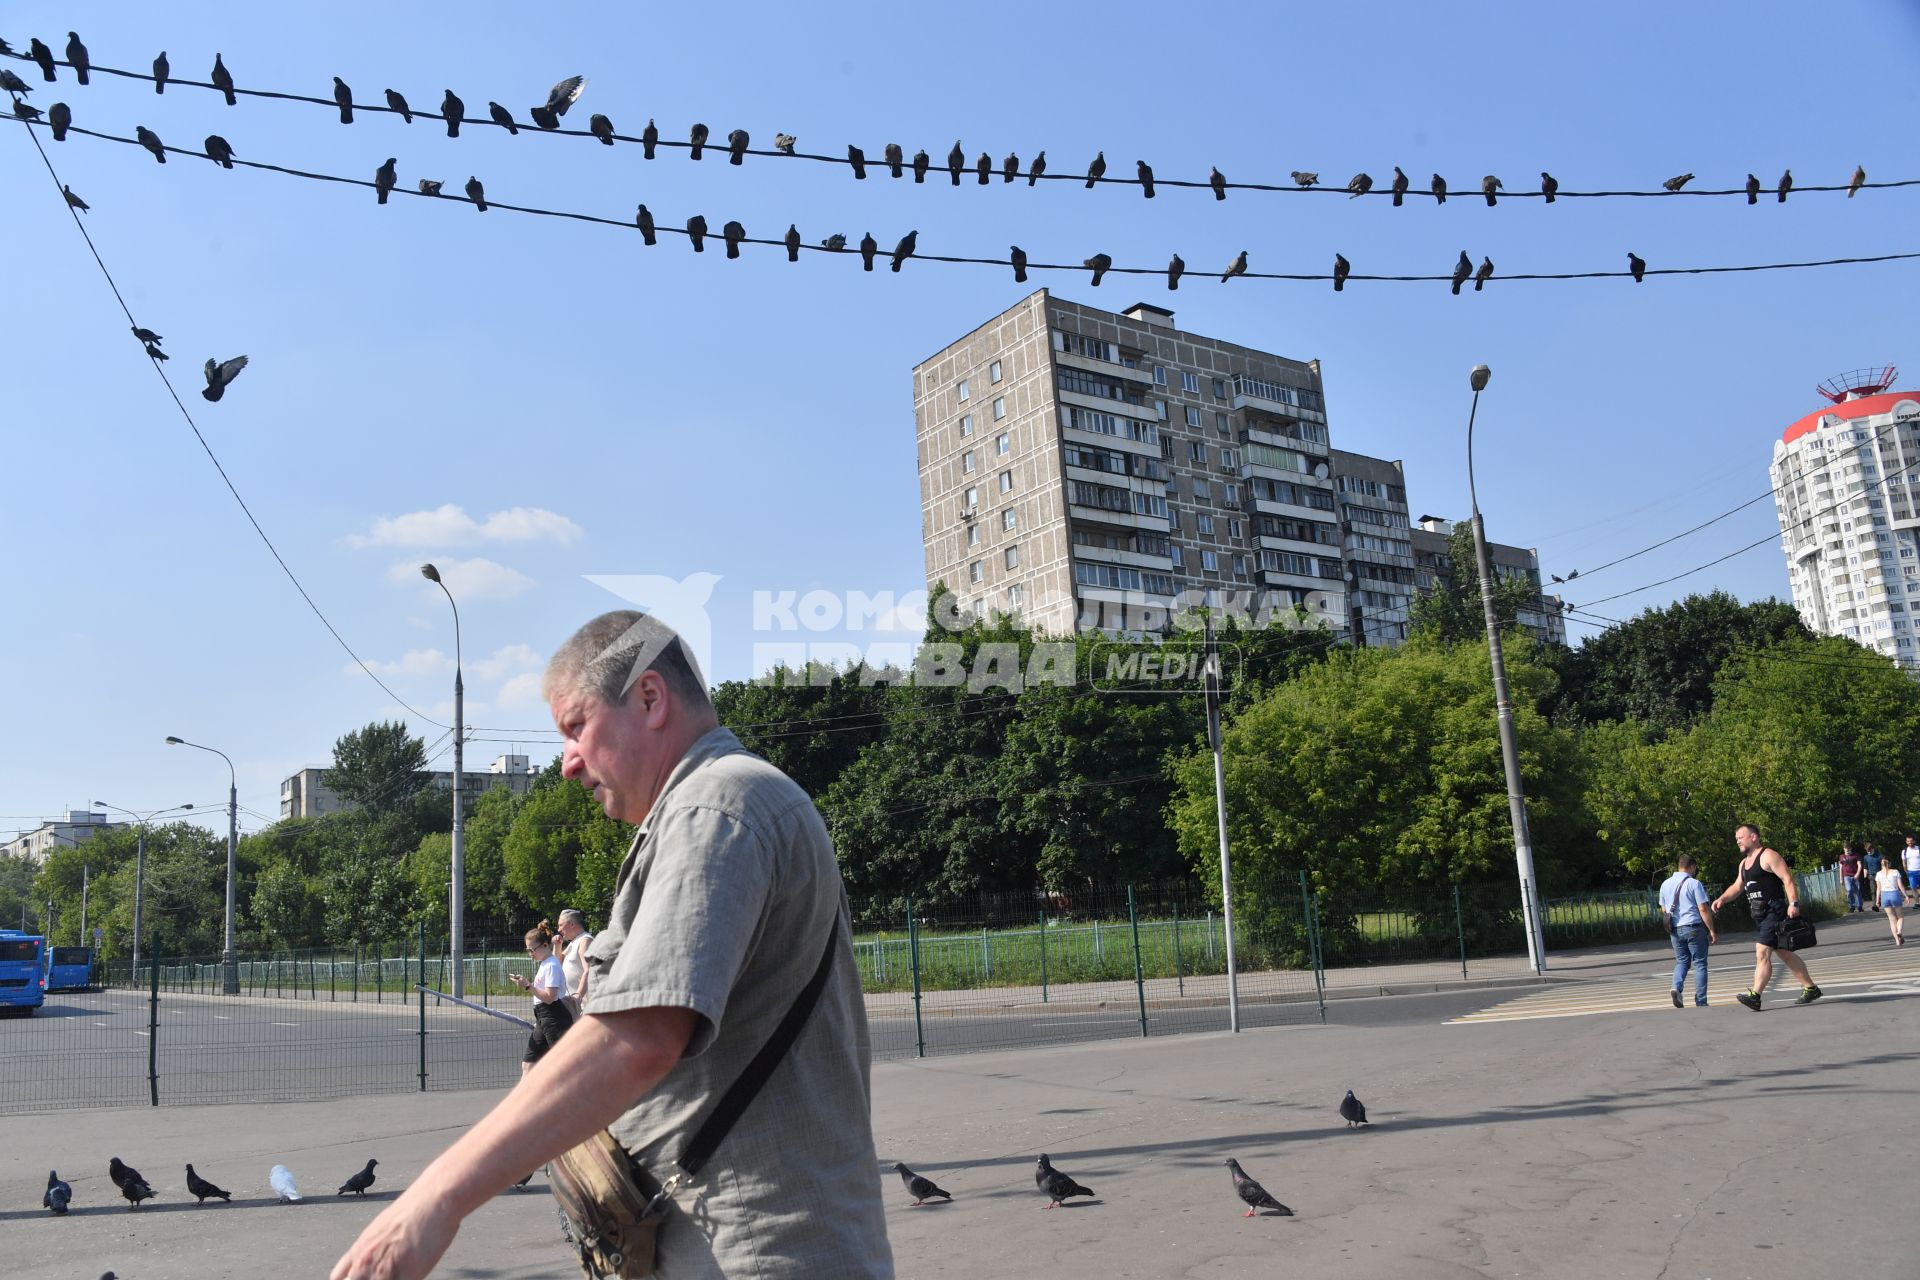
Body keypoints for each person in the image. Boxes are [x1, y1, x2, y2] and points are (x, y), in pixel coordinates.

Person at [331, 611, 892, 1280]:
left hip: (752, 1255)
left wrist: (432, 1199)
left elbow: (638, 1038)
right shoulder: (724, 803)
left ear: (651, 699)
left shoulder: (716, 805)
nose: (567, 762)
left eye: (576, 727)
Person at [1711, 822, 1822, 1012]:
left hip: (1775, 911)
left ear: (1753, 837)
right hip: (1760, 914)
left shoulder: (1768, 855)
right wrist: (1722, 899)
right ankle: (1811, 988)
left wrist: (1794, 903)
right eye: (1736, 838)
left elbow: (1787, 878)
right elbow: (1738, 886)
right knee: (1784, 953)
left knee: (1762, 951)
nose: (1737, 841)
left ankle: (1755, 996)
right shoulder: (1744, 864)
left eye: (1740, 837)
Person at [508, 921, 575, 1077]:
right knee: (528, 1065)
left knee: (562, 1065)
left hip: (554, 1017)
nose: (530, 954)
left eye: (532, 950)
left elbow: (550, 998)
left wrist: (527, 986)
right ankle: (524, 1100)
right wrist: (527, 985)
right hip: (543, 1017)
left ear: (545, 945)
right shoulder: (545, 964)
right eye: (528, 950)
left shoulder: (551, 965)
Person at [1659, 855, 1716, 1007]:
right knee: (1700, 964)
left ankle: (1676, 988)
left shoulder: (1665, 884)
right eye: (1695, 868)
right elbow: (1703, 908)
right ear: (1691, 866)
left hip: (1675, 930)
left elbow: (1664, 909)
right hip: (1693, 928)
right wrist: (1711, 929)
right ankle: (1701, 1000)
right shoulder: (1694, 883)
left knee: (1682, 961)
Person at [556, 907, 593, 1018]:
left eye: (560, 925)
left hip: (582, 1006)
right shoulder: (573, 943)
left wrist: (578, 996)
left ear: (572, 924)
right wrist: (557, 945)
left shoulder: (585, 940)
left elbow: (589, 970)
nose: (558, 929)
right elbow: (557, 964)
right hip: (573, 1005)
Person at [1875, 859, 1906, 945]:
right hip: (1894, 894)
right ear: (1889, 863)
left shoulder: (1878, 874)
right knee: (1900, 917)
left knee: (1892, 919)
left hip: (1884, 896)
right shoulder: (1895, 872)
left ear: (1881, 864)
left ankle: (1897, 941)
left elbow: (1878, 889)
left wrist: (1877, 900)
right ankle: (1899, 931)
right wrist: (1906, 896)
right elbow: (1900, 885)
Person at [1837, 843, 1864, 913]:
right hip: (1846, 876)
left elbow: (1859, 865)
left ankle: (1859, 906)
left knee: (1858, 891)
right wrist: (1841, 878)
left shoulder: (1856, 855)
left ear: (1851, 848)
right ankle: (1851, 906)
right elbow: (1840, 868)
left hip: (1855, 875)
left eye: (1848, 848)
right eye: (1846, 848)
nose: (1847, 850)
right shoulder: (1841, 856)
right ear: (1844, 849)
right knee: (1849, 890)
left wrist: (1858, 874)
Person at [1864, 842, 1884, 910]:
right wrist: (1865, 876)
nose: (1869, 852)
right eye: (1867, 851)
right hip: (1871, 875)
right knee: (1873, 890)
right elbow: (1865, 867)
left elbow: (1883, 866)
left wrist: (1884, 874)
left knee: (1880, 889)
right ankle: (1874, 905)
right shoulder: (1866, 857)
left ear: (1873, 849)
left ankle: (1881, 902)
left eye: (1870, 850)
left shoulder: (1879, 856)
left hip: (1880, 875)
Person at [1902, 835, 1920, 904]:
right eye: (1908, 841)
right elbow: (1904, 862)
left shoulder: (1918, 849)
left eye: (1911, 841)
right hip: (1911, 872)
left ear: (1914, 841)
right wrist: (1906, 870)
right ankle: (1917, 903)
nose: (1910, 842)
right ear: (1906, 842)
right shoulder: (1904, 851)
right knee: (1913, 888)